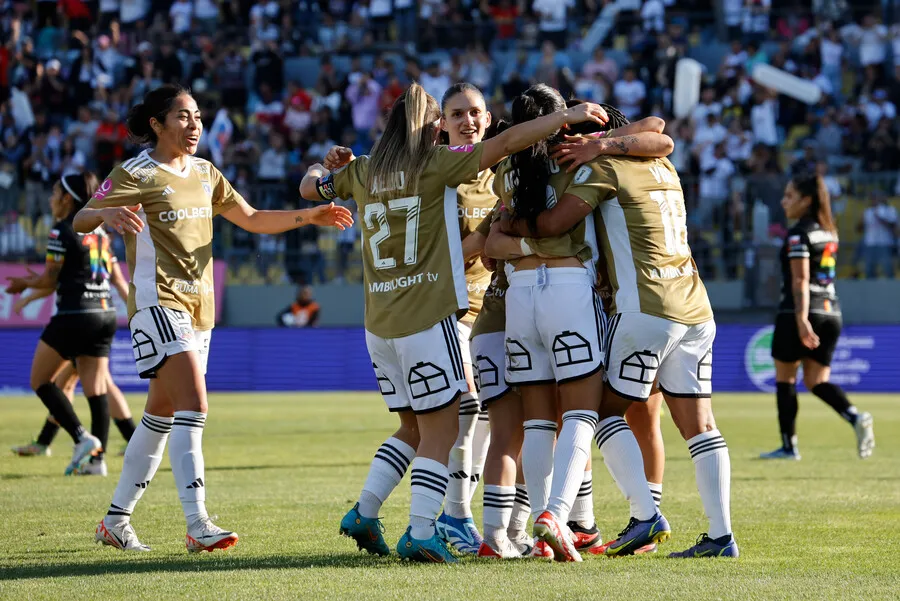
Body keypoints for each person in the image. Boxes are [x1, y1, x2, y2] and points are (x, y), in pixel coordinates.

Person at [300, 82, 609, 563]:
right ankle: (433, 526)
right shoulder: (440, 165)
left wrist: (322, 166)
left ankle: (366, 511)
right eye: (450, 116)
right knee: (449, 426)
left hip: (381, 319)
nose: (464, 122)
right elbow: (508, 142)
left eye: (475, 112)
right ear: (435, 126)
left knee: (417, 427)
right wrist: (565, 116)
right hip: (434, 313)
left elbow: (308, 187)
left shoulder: (363, 170)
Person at [75, 84, 353, 553]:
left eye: (198, 117)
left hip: (200, 309)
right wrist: (110, 213)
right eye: (183, 116)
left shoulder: (206, 172)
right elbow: (81, 219)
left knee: (160, 415)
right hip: (158, 304)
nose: (194, 125)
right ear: (157, 124)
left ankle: (116, 520)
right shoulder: (135, 172)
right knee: (195, 406)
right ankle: (198, 523)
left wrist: (309, 217)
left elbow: (253, 218)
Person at [498, 103, 738, 559]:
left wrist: (506, 223)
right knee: (701, 425)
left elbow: (553, 224)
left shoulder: (602, 168)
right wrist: (606, 141)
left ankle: (645, 514)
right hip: (695, 306)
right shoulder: (662, 163)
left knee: (601, 411)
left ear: (590, 138)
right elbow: (658, 130)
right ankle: (721, 536)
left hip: (646, 307)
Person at [482, 87, 669, 563]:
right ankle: (557, 517)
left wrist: (510, 238)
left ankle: (542, 530)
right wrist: (599, 140)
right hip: (568, 288)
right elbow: (656, 131)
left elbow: (493, 239)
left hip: (520, 296)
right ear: (560, 121)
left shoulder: (507, 167)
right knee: (584, 413)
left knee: (538, 420)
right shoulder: (577, 158)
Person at [5, 173, 115, 477]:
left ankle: (81, 438)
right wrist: (33, 288)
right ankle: (97, 462)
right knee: (96, 390)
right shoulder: (100, 231)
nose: (51, 199)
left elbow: (50, 279)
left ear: (67, 199)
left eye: (55, 193)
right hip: (105, 312)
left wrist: (25, 285)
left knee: (41, 381)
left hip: (74, 315)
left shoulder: (61, 230)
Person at [761, 174, 875, 461]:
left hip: (798, 311)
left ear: (806, 200)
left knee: (785, 379)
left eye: (789, 196)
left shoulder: (798, 234)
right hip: (831, 312)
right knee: (816, 381)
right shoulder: (829, 232)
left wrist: (801, 320)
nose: (784, 201)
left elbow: (800, 279)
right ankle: (855, 416)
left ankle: (789, 447)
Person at [12, 252, 137, 465]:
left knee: (69, 385)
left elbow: (50, 281)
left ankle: (68, 443)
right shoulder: (101, 243)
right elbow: (118, 280)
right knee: (75, 385)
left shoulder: (70, 240)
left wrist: (28, 293)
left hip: (78, 319)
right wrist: (137, 314)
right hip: (102, 317)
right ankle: (49, 443)